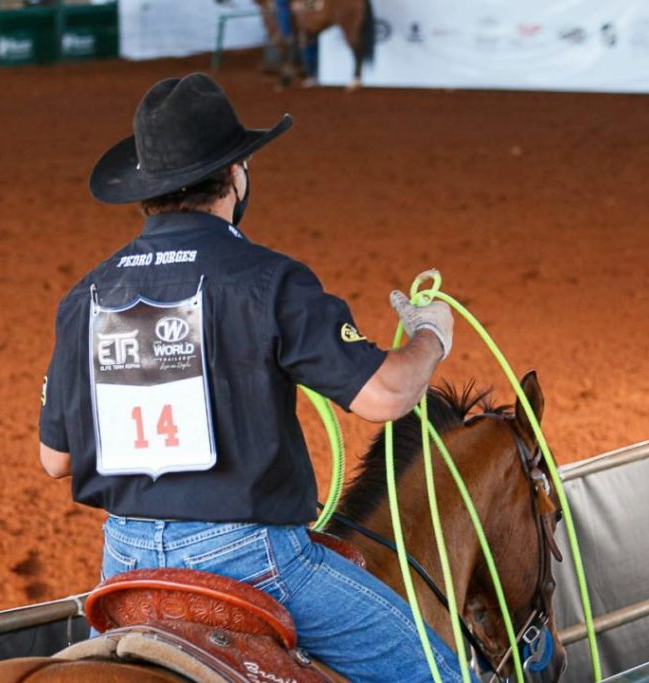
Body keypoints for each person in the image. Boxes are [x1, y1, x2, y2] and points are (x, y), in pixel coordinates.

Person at [38, 73, 462, 681]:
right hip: (250, 558)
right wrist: (430, 337)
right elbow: (388, 395)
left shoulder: (86, 297)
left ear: (145, 191)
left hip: (126, 562)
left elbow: (56, 460)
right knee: (439, 672)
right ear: (236, 175)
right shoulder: (268, 280)